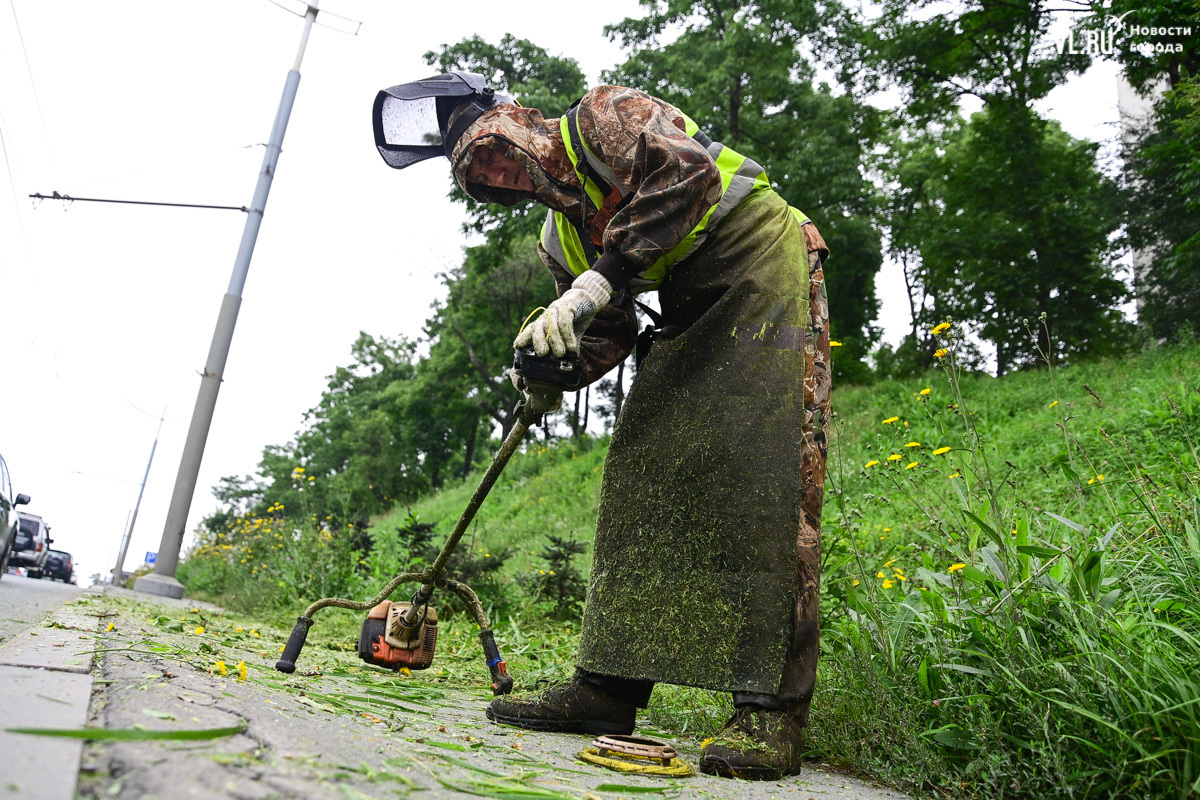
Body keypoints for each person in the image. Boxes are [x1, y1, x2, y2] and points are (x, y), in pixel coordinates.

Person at [373, 73, 831, 781]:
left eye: (492, 152)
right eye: (482, 179)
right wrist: (548, 363)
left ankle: (769, 714)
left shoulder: (600, 116)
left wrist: (606, 274)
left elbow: (688, 172)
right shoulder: (561, 239)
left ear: (518, 122)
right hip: (690, 305)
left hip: (762, 262)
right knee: (642, 473)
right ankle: (608, 687)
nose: (497, 174)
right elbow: (607, 332)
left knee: (764, 478)